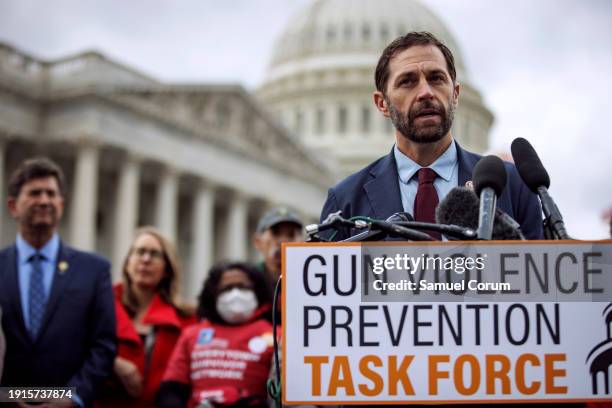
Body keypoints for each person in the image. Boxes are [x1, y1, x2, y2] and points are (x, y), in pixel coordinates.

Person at [320, 31, 543, 241]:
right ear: (382, 104)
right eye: (407, 81)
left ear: (455, 94)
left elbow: (539, 277)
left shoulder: (512, 187)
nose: (425, 92)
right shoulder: (346, 201)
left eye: (436, 78)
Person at [0, 157, 116, 407]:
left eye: (51, 194)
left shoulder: (94, 271)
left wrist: (72, 397)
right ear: (13, 206)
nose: (44, 200)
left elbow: (103, 346)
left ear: (61, 205)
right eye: (34, 193)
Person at [95, 227, 196, 407]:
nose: (146, 259)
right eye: (140, 252)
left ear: (167, 269)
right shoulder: (97, 306)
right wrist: (112, 363)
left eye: (155, 254)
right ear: (127, 263)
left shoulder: (187, 320)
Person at [157, 261, 274, 408]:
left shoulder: (276, 335)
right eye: (227, 288)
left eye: (242, 287)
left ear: (257, 291)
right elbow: (171, 391)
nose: (235, 294)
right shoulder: (191, 335)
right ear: (214, 295)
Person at [253, 207, 304, 298]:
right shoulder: (250, 281)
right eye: (275, 233)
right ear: (258, 241)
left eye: (291, 234)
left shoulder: (310, 282)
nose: (283, 240)